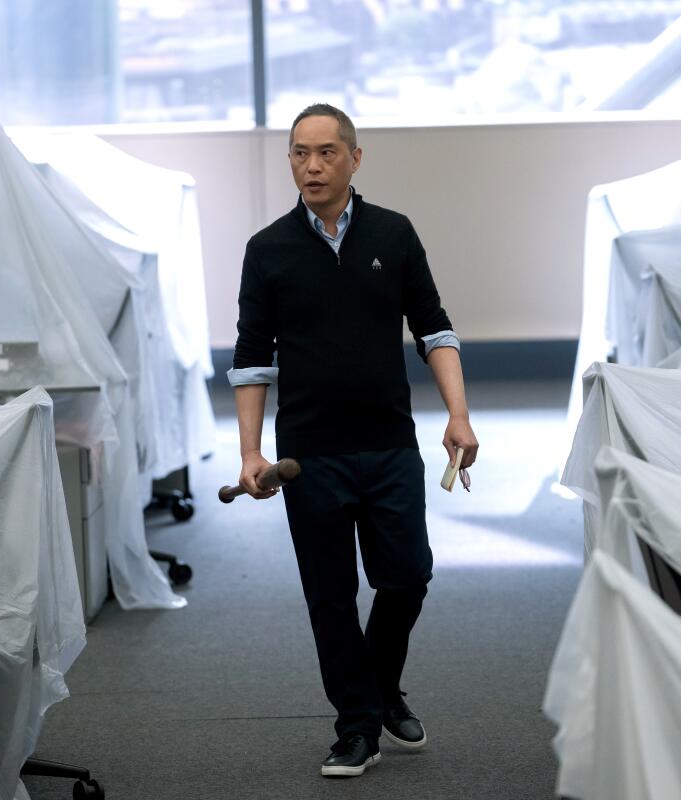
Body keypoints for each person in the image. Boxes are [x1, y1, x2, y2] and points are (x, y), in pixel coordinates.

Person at [228, 103, 479, 778]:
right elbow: (252, 361)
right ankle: (356, 727)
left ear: (354, 158)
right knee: (331, 595)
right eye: (299, 153)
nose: (311, 166)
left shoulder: (394, 235)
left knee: (407, 577)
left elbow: (435, 331)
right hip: (309, 453)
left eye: (326, 153)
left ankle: (377, 683)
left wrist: (458, 415)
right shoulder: (269, 250)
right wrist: (251, 453)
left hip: (390, 442)